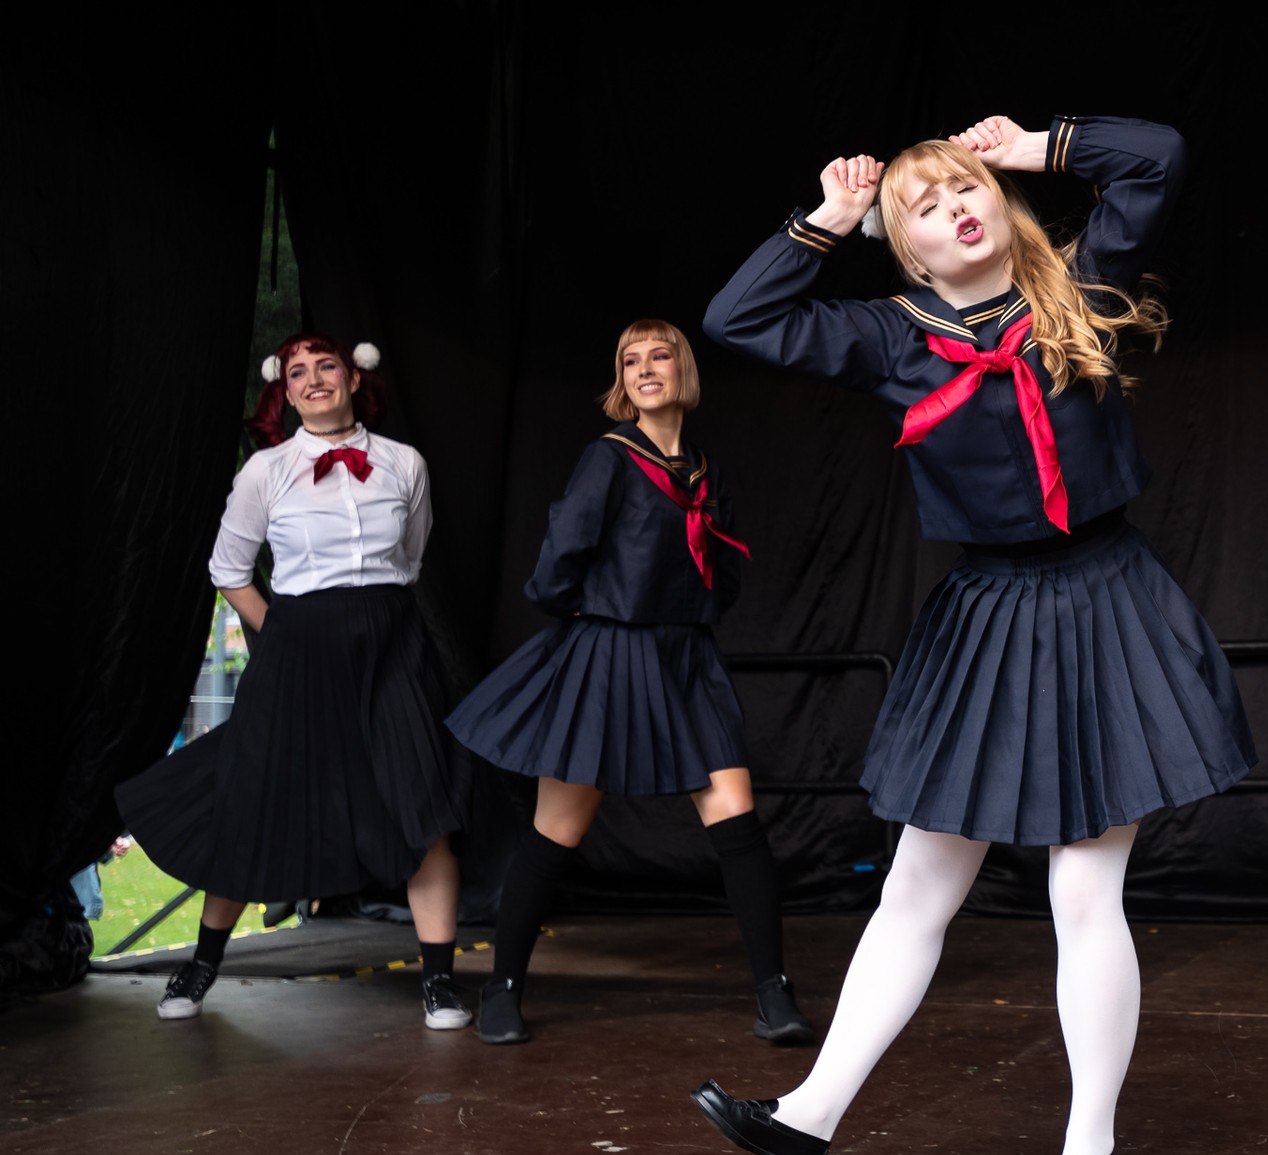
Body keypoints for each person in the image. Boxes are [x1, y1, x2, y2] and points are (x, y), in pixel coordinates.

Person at [688, 115, 1254, 1155]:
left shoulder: (1077, 287)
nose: (957, 207)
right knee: (914, 888)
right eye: (926, 204)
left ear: (999, 201)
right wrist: (829, 218)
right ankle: (807, 1118)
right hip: (989, 616)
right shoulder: (889, 336)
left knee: (1083, 891)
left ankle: (1090, 1151)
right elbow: (737, 318)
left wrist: (1033, 144)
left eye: (968, 188)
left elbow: (1159, 157)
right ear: (904, 247)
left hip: (1104, 603)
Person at [445, 320, 812, 1049]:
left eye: (659, 355)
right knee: (559, 828)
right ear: (622, 381)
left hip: (688, 659)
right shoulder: (608, 458)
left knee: (737, 819)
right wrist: (593, 612)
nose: (645, 368)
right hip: (610, 654)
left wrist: (690, 614)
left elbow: (724, 574)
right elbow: (558, 560)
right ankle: (502, 987)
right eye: (630, 360)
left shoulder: (704, 469)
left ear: (682, 371)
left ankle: (775, 993)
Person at [115, 335, 472, 1028]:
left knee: (424, 804)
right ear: (285, 391)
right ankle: (203, 964)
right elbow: (228, 570)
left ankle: (439, 981)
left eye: (326, 366)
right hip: (298, 647)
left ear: (354, 377)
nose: (313, 380)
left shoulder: (405, 463)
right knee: (251, 800)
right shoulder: (266, 471)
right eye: (298, 372)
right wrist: (280, 633)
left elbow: (411, 557)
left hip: (391, 644)